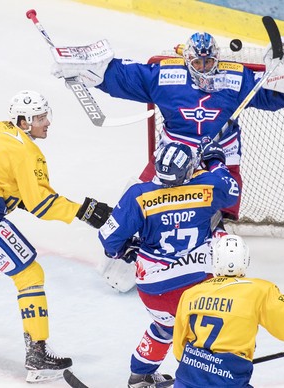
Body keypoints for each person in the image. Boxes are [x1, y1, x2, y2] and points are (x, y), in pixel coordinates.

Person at [0, 90, 112, 382]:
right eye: (40, 118)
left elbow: (2, 182)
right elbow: (41, 203)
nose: (47, 123)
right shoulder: (28, 152)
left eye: (45, 115)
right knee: (30, 274)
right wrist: (85, 211)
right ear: (24, 122)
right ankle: (38, 356)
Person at [50, 31, 284, 222]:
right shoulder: (165, 77)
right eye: (198, 63)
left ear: (216, 59)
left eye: (208, 62)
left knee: (223, 220)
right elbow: (125, 77)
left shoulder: (236, 77)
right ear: (188, 60)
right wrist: (93, 72)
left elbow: (272, 98)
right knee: (138, 205)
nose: (204, 68)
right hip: (171, 156)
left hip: (221, 158)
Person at [98, 140, 240, 387]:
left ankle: (139, 376)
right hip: (197, 286)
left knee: (164, 326)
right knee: (207, 334)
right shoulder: (207, 187)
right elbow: (232, 189)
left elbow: (109, 240)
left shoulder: (139, 195)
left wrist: (122, 252)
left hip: (153, 289)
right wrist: (215, 160)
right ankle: (200, 380)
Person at [172, 234, 284, 387]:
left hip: (187, 378)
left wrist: (203, 367)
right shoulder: (258, 290)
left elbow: (179, 351)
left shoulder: (191, 294)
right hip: (228, 382)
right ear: (245, 260)